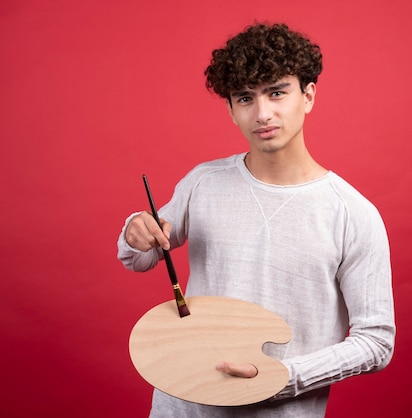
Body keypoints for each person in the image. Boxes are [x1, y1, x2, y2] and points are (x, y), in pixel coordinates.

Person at [117, 22, 395, 417]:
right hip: (180, 407)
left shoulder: (352, 214)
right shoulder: (204, 182)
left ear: (308, 95)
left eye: (277, 92)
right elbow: (138, 258)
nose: (263, 113)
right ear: (231, 110)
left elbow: (376, 341)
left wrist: (282, 376)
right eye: (245, 98)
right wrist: (135, 231)